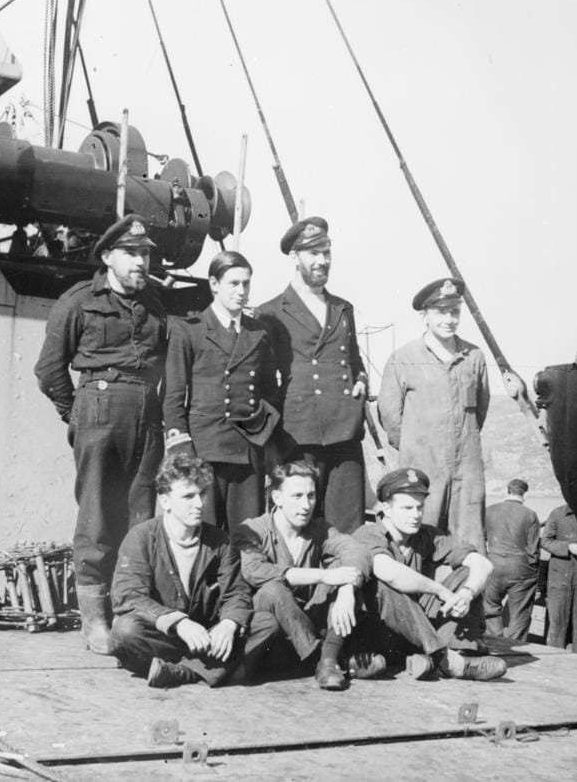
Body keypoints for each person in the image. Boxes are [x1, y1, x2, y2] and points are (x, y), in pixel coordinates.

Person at [34, 214, 167, 655]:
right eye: (132, 253)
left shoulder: (156, 304)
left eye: (145, 253)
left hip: (146, 418)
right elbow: (50, 369)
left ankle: (130, 610)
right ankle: (94, 620)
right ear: (108, 256)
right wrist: (78, 415)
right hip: (98, 413)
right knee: (95, 517)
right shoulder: (78, 301)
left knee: (140, 516)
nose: (141, 262)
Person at [110, 453, 280, 688]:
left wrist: (229, 624)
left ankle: (184, 672)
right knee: (124, 631)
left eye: (202, 494)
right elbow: (128, 596)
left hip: (207, 636)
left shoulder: (220, 541)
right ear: (165, 501)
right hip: (166, 636)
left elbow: (236, 594)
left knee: (266, 623)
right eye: (188, 496)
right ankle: (211, 669)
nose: (199, 504)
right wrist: (179, 623)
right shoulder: (141, 537)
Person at [255, 217, 368, 533]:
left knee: (348, 525)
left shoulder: (342, 308)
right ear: (294, 257)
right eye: (312, 253)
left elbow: (355, 359)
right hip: (298, 432)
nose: (322, 261)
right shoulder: (270, 312)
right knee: (300, 523)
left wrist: (360, 380)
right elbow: (264, 380)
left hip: (344, 430)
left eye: (326, 252)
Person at [351, 467, 507, 681]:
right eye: (407, 508)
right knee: (386, 584)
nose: (415, 515)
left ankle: (446, 653)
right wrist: (442, 591)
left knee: (468, 572)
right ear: (387, 509)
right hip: (377, 631)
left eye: (419, 508)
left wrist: (466, 594)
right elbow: (388, 572)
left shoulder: (426, 535)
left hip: (417, 630)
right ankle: (446, 660)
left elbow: (482, 564)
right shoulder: (367, 534)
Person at [163, 251, 280, 531]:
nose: (241, 292)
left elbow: (269, 391)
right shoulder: (189, 331)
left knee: (247, 535)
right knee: (203, 533)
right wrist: (182, 449)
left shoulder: (258, 333)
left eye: (246, 284)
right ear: (214, 284)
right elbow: (173, 395)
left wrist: (262, 434)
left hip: (248, 449)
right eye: (233, 284)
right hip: (205, 448)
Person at [233, 460, 375, 690]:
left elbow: (356, 549)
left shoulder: (319, 528)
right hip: (270, 629)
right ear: (277, 498)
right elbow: (255, 571)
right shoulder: (253, 529)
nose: (306, 505)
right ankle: (327, 659)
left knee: (340, 567)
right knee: (273, 589)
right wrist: (321, 576)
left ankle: (327, 660)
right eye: (297, 496)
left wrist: (347, 589)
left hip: (307, 620)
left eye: (310, 496)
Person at [377, 277, 489, 548]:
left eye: (455, 312)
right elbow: (390, 416)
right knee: (419, 540)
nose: (449, 319)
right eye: (441, 312)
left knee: (469, 545)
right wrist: (417, 448)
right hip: (422, 468)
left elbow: (480, 411)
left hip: (467, 469)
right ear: (424, 315)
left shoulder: (474, 357)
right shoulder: (403, 358)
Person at [483, 478, 540, 641]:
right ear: (525, 495)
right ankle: (514, 646)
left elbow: (482, 537)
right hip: (520, 569)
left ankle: (494, 642)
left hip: (493, 566)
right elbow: (533, 549)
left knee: (490, 607)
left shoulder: (489, 510)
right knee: (520, 613)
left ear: (506, 492)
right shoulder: (530, 514)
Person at [541, 504, 577, 654]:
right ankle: (553, 656)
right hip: (559, 575)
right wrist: (568, 547)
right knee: (557, 619)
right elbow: (545, 541)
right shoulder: (557, 513)